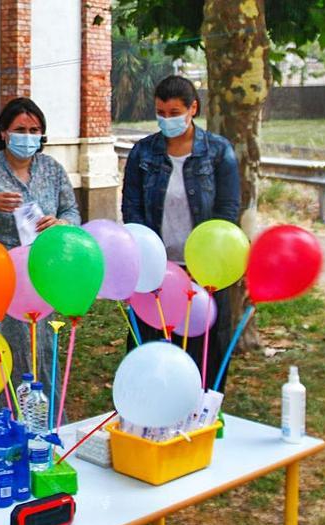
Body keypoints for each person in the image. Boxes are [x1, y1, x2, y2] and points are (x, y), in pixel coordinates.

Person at [0, 97, 80, 383]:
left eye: (35, 131)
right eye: (21, 129)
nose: (28, 137)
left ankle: (36, 412)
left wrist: (62, 223)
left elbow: (71, 210)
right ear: (4, 133)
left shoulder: (51, 169)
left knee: (35, 346)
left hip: (37, 272)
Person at [121, 75, 241, 389]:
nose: (166, 119)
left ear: (192, 109)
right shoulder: (143, 153)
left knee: (206, 351)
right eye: (160, 112)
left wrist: (205, 264)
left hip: (205, 271)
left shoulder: (217, 152)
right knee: (152, 349)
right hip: (157, 272)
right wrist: (148, 262)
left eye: (174, 112)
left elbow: (227, 213)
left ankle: (203, 416)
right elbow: (132, 209)